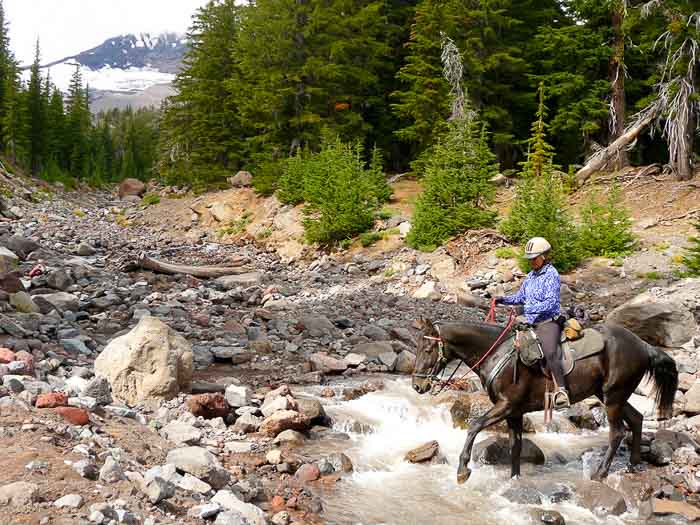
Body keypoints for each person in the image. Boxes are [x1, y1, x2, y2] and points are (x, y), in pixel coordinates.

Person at [495, 237, 569, 409]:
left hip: (548, 321)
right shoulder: (530, 276)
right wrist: (502, 300)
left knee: (550, 351)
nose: (531, 262)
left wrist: (528, 309)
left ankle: (562, 390)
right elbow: (520, 297)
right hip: (531, 321)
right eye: (529, 259)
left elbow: (551, 302)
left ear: (544, 256)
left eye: (534, 258)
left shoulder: (552, 274)